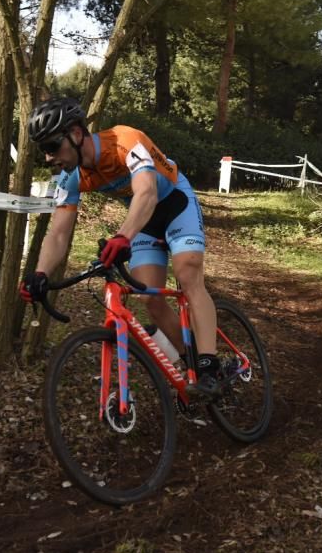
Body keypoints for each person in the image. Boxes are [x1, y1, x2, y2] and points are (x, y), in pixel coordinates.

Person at [18, 97, 222, 398]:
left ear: (76, 134)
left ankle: (210, 366)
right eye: (43, 150)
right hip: (145, 221)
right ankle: (191, 364)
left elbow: (147, 192)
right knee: (148, 295)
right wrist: (39, 273)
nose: (48, 158)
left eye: (51, 146)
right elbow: (59, 233)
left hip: (174, 203)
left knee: (187, 272)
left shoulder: (126, 140)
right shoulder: (70, 177)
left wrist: (123, 236)